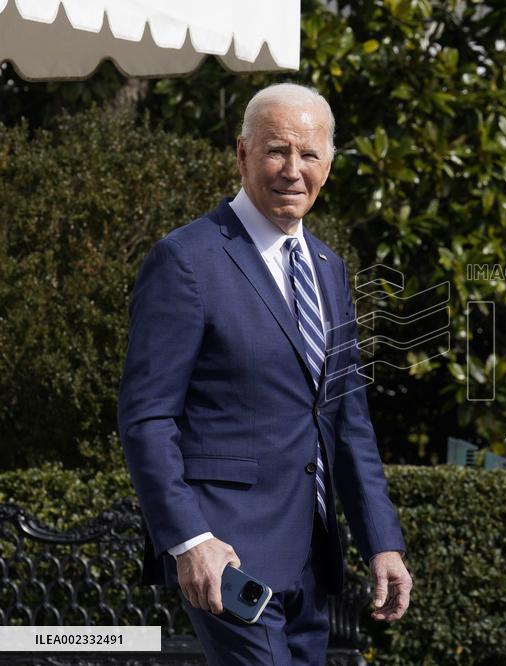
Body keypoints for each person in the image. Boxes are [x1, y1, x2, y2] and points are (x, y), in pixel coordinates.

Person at [118, 83, 411, 666]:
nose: (293, 171)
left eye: (309, 155)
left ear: (329, 164)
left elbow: (349, 422)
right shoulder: (187, 260)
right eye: (277, 150)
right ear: (242, 153)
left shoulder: (329, 269)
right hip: (228, 556)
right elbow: (146, 417)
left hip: (311, 559)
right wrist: (190, 541)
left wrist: (382, 542)